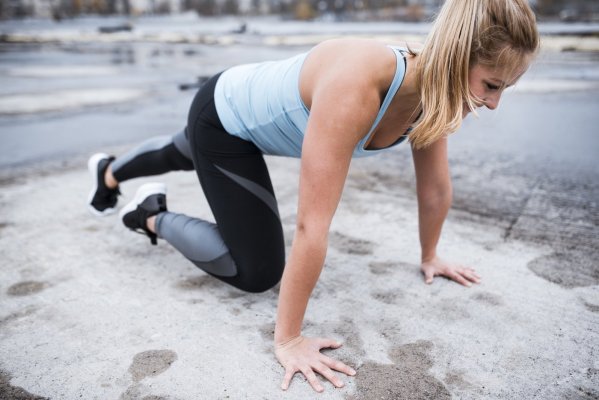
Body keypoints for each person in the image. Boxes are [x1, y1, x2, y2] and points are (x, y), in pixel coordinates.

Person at [87, 0, 539, 393]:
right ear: (457, 57)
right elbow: (311, 225)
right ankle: (150, 214)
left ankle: (108, 173)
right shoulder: (359, 86)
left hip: (245, 108)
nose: (494, 103)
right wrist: (288, 339)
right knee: (257, 269)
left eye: (505, 88)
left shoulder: (437, 95)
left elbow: (435, 188)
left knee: (186, 149)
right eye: (491, 86)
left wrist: (431, 254)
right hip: (224, 115)